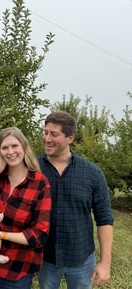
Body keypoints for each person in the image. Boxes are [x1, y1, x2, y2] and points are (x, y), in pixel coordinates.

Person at [37, 111, 114, 289]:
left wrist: (105, 263)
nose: (47, 138)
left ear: (69, 138)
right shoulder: (33, 169)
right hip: (45, 257)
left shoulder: (93, 173)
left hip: (81, 258)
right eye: (45, 132)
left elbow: (104, 220)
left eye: (54, 134)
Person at [0, 126, 52, 289]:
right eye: (4, 147)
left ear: (23, 147)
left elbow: (39, 235)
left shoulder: (39, 183)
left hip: (16, 269)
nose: (10, 151)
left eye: (14, 146)